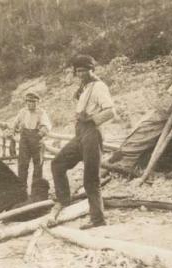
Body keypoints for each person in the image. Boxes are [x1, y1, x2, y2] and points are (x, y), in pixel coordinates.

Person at [49, 55, 115, 229]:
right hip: (80, 135)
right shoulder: (85, 87)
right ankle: (64, 200)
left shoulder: (99, 87)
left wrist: (91, 119)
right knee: (58, 164)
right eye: (78, 71)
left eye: (84, 70)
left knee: (91, 180)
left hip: (92, 134)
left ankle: (98, 219)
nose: (80, 74)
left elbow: (110, 112)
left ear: (92, 70)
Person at [11, 92, 52, 189]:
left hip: (36, 138)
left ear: (37, 102)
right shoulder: (23, 112)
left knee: (38, 165)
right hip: (24, 139)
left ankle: (36, 189)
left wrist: (40, 134)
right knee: (22, 164)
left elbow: (47, 126)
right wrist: (12, 130)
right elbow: (15, 123)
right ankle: (22, 188)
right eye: (28, 102)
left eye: (32, 102)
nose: (30, 104)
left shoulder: (41, 112)